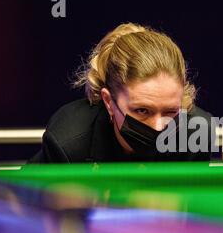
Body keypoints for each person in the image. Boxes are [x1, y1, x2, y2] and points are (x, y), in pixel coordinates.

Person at [30, 23, 212, 163]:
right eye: (142, 110)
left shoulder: (195, 134)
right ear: (109, 102)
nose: (158, 126)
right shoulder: (67, 142)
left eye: (170, 112)